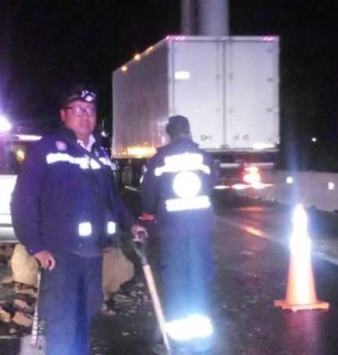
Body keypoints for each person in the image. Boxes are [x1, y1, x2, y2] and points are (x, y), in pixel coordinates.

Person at [11, 85, 146, 355]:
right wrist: (35, 246)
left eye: (91, 111)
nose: (86, 116)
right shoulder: (47, 148)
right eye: (79, 110)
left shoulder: (99, 153)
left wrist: (131, 223)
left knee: (84, 318)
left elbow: (112, 197)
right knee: (62, 322)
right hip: (60, 254)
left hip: (93, 253)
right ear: (64, 114)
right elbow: (22, 200)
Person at [140, 115, 216, 353]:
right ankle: (201, 342)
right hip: (200, 231)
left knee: (175, 284)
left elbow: (149, 193)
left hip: (172, 232)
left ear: (169, 134)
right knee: (198, 281)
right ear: (189, 132)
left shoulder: (160, 159)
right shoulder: (204, 157)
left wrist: (148, 216)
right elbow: (212, 182)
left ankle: (178, 344)